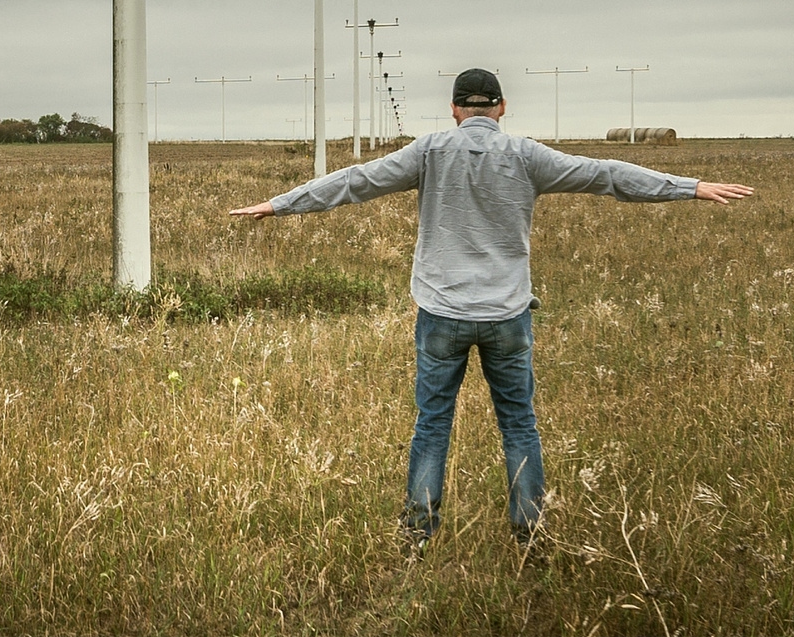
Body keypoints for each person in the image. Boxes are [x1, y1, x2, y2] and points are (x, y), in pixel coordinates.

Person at [230, 68, 753, 548]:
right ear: (501, 108)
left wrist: (280, 204)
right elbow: (606, 174)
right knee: (519, 424)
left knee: (432, 423)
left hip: (442, 313)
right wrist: (690, 187)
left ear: (455, 110)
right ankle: (529, 533)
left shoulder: (430, 150)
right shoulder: (527, 156)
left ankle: (418, 534)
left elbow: (355, 180)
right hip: (507, 315)